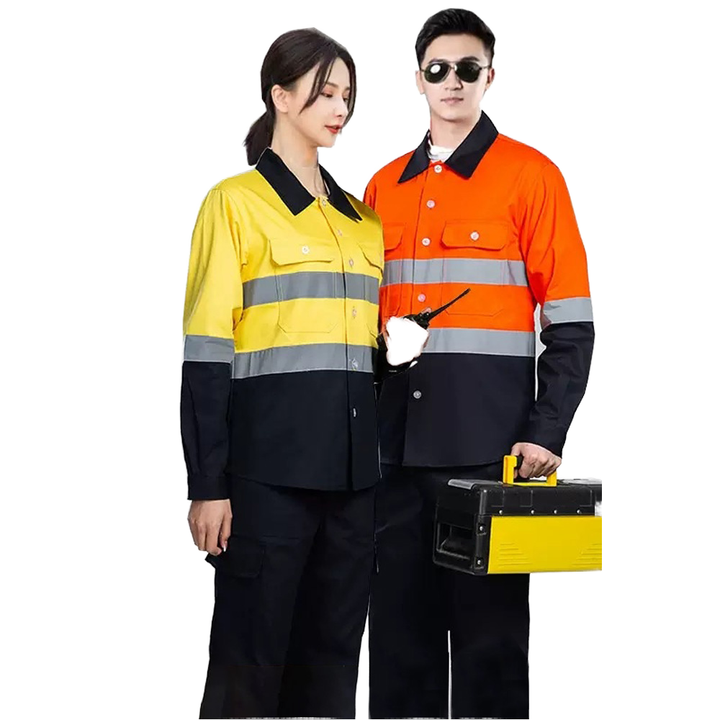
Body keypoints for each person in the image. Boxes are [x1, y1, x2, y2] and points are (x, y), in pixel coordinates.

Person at [363, 8, 595, 719]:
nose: (453, 81)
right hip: (393, 457)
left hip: (489, 456)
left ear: (490, 76)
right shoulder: (381, 188)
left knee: (491, 650)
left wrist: (546, 431)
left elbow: (571, 324)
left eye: (468, 68)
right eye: (438, 68)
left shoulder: (532, 177)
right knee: (399, 652)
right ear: (418, 79)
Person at [180, 27, 394, 719]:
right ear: (279, 94)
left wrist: (394, 351)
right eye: (325, 92)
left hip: (353, 486)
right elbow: (206, 352)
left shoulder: (363, 222)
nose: (340, 108)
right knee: (247, 668)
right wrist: (208, 485)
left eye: (347, 95)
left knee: (330, 674)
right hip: (267, 481)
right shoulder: (234, 204)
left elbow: (354, 354)